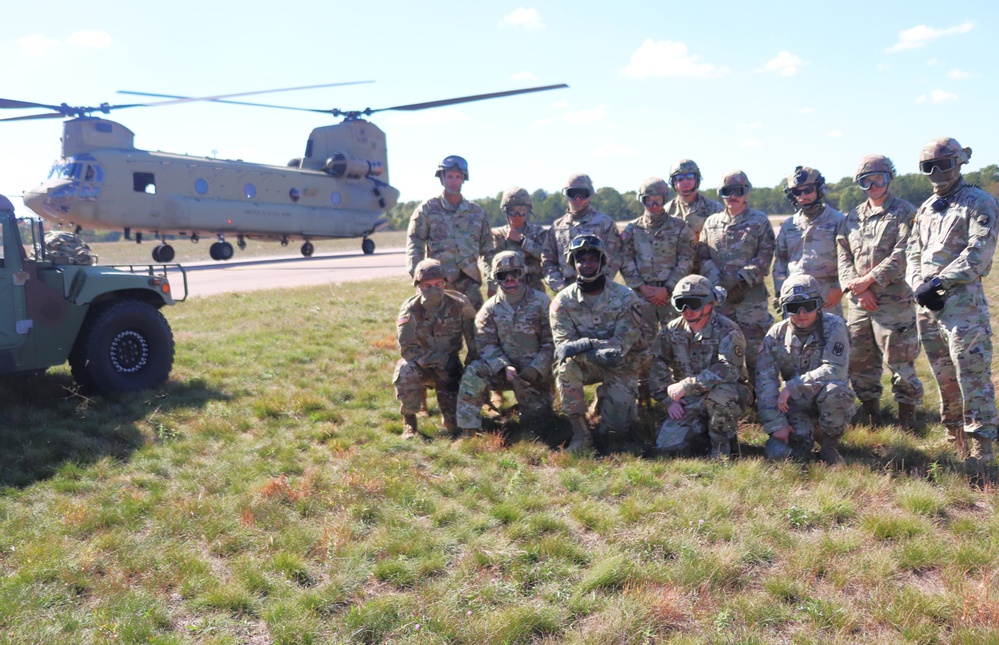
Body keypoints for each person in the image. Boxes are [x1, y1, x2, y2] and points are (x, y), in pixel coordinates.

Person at [907, 137, 999, 464]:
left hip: (963, 308)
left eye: (941, 165)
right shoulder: (927, 208)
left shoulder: (979, 202)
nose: (935, 173)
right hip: (929, 308)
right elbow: (912, 250)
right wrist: (918, 282)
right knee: (943, 377)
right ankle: (954, 437)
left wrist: (939, 282)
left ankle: (983, 449)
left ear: (959, 163)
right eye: (927, 167)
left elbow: (979, 254)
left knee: (972, 378)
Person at [837, 155, 923, 428]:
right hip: (859, 302)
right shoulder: (852, 217)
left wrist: (871, 280)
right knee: (860, 360)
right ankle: (871, 412)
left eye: (879, 179)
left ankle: (907, 417)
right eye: (866, 181)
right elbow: (843, 256)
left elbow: (904, 252)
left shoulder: (905, 213)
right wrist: (857, 289)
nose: (873, 186)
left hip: (894, 300)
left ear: (889, 179)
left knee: (900, 359)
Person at [550, 235, 644, 451]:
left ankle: (606, 400)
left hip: (620, 364)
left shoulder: (626, 298)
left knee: (614, 434)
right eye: (581, 260)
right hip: (585, 365)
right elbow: (563, 348)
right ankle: (581, 435)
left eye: (593, 259)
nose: (587, 264)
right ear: (573, 264)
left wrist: (585, 343)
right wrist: (593, 353)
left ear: (602, 261)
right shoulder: (563, 302)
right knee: (565, 369)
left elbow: (621, 345)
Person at [757, 275, 857, 464]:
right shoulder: (775, 336)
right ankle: (807, 435)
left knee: (837, 392)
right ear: (784, 309)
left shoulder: (834, 326)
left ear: (819, 305)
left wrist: (793, 386)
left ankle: (829, 446)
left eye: (808, 306)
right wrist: (777, 425)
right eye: (793, 308)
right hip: (796, 405)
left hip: (826, 399)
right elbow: (765, 383)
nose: (801, 313)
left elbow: (835, 369)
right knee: (792, 452)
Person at [650, 275, 752, 459]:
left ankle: (722, 448)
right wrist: (668, 401)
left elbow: (729, 369)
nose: (687, 310)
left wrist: (686, 386)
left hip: (729, 392)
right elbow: (658, 364)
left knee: (720, 396)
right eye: (681, 304)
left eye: (693, 304)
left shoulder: (728, 330)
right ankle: (705, 432)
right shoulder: (671, 331)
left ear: (709, 304)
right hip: (690, 397)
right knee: (666, 445)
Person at [456, 252, 554, 437]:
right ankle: (468, 431)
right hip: (502, 372)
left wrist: (536, 368)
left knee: (539, 426)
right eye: (503, 275)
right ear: (496, 278)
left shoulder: (542, 302)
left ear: (522, 273)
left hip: (535, 373)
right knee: (474, 371)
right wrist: (504, 366)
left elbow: (552, 341)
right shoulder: (489, 310)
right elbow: (486, 345)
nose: (509, 279)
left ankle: (528, 407)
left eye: (514, 273)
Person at [620, 177, 694, 400]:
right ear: (641, 201)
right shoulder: (632, 229)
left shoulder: (680, 227)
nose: (653, 206)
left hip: (672, 296)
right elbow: (625, 260)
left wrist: (668, 289)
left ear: (665, 199)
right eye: (648, 201)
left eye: (658, 200)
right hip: (642, 296)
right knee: (643, 343)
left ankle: (681, 389)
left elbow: (686, 259)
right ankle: (644, 390)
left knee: (678, 340)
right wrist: (643, 289)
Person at [698, 170, 775, 382]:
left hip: (751, 299)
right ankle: (732, 393)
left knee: (755, 351)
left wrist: (740, 279)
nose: (732, 197)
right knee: (722, 347)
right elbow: (703, 255)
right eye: (726, 192)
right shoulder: (711, 222)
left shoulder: (759, 221)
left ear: (746, 193)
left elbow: (765, 255)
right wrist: (720, 282)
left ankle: (761, 396)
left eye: (738, 191)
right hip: (721, 298)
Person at [394, 259, 477, 438]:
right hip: (421, 366)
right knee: (404, 369)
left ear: (445, 283)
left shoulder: (459, 304)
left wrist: (470, 369)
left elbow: (474, 340)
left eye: (438, 284)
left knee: (453, 426)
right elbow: (407, 350)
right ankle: (409, 421)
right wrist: (437, 359)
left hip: (449, 368)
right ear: (419, 286)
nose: (433, 289)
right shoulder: (410, 310)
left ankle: (450, 416)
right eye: (427, 285)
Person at [406, 155, 493, 310]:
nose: (454, 181)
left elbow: (488, 251)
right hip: (438, 283)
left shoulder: (476, 212)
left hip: (470, 282)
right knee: (441, 330)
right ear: (442, 179)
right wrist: (418, 278)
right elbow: (415, 244)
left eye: (458, 177)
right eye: (450, 176)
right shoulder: (427, 210)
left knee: (477, 329)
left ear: (463, 179)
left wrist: (493, 281)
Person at [774, 166, 847, 317]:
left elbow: (848, 259)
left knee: (829, 335)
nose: (802, 196)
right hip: (794, 293)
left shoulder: (838, 221)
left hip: (826, 295)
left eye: (808, 190)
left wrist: (840, 288)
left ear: (820, 190)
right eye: (797, 192)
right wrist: (781, 290)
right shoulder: (789, 225)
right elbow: (780, 262)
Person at [541, 173, 623, 293]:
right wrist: (561, 288)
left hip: (600, 291)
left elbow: (615, 258)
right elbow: (547, 261)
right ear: (566, 195)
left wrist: (600, 286)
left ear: (590, 194)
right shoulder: (557, 227)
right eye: (572, 193)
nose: (578, 198)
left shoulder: (605, 223)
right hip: (568, 291)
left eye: (583, 193)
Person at [665, 159, 723, 273]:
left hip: (708, 271)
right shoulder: (666, 212)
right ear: (673, 182)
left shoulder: (715, 209)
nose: (685, 182)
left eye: (690, 176)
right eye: (679, 178)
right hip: (677, 273)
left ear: (697, 179)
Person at [487, 187, 547, 297]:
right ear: (505, 211)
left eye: (522, 210)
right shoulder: (497, 235)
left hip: (533, 289)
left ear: (528, 211)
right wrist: (491, 286)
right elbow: (489, 262)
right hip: (506, 291)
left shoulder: (537, 232)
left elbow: (546, 256)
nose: (517, 215)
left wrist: (522, 240)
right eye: (512, 210)